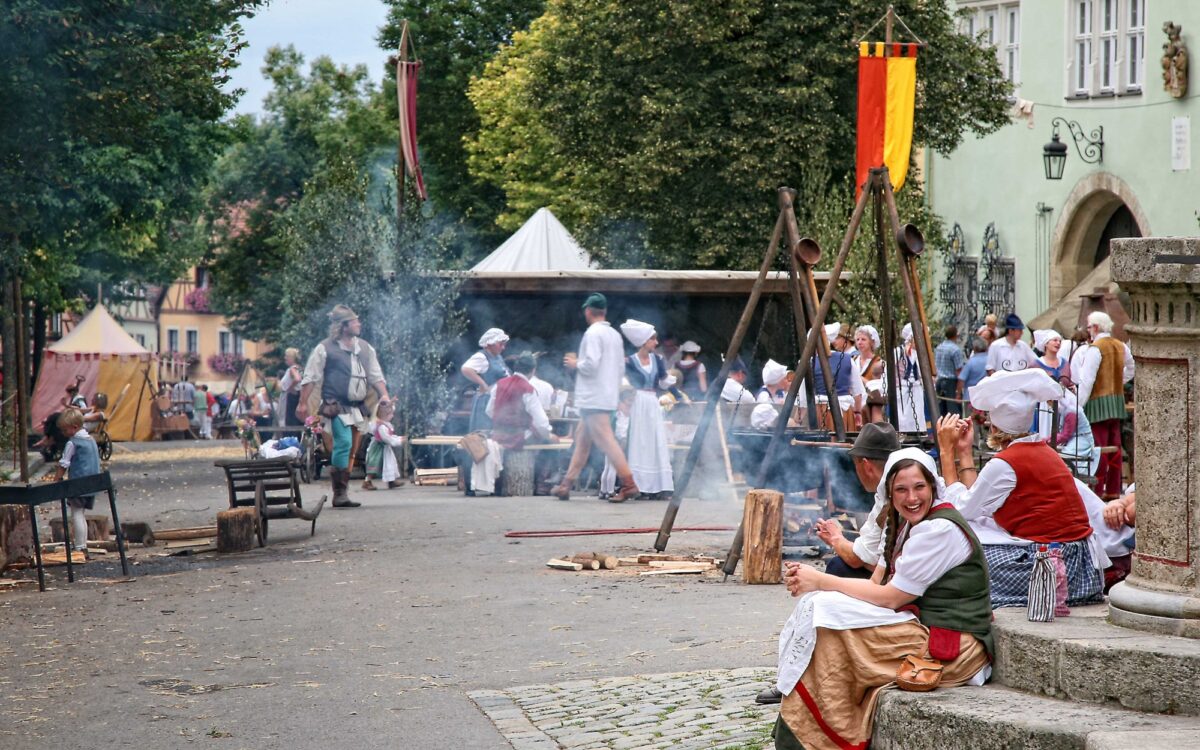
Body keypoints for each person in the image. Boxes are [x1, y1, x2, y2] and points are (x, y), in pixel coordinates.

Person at [772, 448, 993, 750]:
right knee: (820, 612)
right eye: (901, 490)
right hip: (927, 625)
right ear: (889, 493)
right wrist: (823, 592)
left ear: (932, 486)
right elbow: (879, 579)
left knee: (834, 637)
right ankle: (804, 732)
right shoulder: (908, 524)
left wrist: (821, 581)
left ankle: (820, 738)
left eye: (919, 487)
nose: (911, 497)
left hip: (957, 642)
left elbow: (891, 597)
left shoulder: (939, 530)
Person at [937, 369, 1104, 608]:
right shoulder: (1043, 452)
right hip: (1077, 563)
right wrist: (963, 453)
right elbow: (977, 501)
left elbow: (961, 511)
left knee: (956, 550)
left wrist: (945, 452)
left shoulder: (1006, 463)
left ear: (993, 428)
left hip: (1055, 565)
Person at [297, 304, 391, 508]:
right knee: (344, 443)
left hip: (358, 407)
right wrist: (303, 403)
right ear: (344, 325)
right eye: (355, 321)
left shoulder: (365, 348)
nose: (359, 323)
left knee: (352, 450)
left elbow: (376, 375)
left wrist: (384, 395)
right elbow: (311, 376)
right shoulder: (325, 348)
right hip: (335, 406)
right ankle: (339, 494)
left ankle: (343, 493)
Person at [552, 294, 639, 502]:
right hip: (605, 394)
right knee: (582, 440)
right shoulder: (614, 335)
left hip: (594, 396)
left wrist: (575, 364)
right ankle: (566, 484)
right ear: (604, 312)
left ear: (588, 311)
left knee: (606, 441)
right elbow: (619, 369)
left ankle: (629, 484)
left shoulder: (593, 334)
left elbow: (590, 365)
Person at [1076, 311, 1135, 500]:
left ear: (1094, 327)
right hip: (1116, 403)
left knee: (1098, 449)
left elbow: (1087, 381)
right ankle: (1113, 490)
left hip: (1096, 404)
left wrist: (1078, 406)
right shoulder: (1120, 346)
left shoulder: (1095, 348)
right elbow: (1132, 367)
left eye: (1088, 327)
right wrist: (1119, 381)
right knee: (1115, 448)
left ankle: (1097, 491)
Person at [616, 321, 676, 499]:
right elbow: (620, 381)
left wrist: (674, 386)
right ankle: (638, 485)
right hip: (637, 402)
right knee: (639, 442)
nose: (656, 343)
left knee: (655, 440)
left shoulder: (657, 360)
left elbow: (664, 381)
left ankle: (659, 486)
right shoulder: (629, 361)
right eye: (653, 339)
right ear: (643, 341)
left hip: (652, 402)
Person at [52, 409, 102, 558]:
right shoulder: (91, 440)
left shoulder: (73, 443)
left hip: (79, 483)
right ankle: (82, 544)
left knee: (77, 514)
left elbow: (64, 463)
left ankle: (80, 547)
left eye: (64, 429)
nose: (63, 432)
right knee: (81, 514)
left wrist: (57, 480)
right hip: (92, 483)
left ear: (74, 427)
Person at [487, 352, 555, 450]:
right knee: (550, 442)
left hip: (497, 436)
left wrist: (503, 424)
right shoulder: (528, 389)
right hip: (518, 439)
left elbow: (489, 410)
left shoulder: (499, 384)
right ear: (533, 370)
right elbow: (541, 423)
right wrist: (549, 435)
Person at [811, 323, 863, 429]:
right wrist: (857, 413)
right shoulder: (848, 359)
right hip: (844, 411)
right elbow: (857, 393)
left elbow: (803, 397)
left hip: (820, 410)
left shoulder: (811, 362)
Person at [461, 328, 511, 431]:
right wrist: (483, 384)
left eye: (504, 344)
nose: (503, 347)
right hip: (486, 401)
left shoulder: (497, 357)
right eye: (500, 344)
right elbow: (466, 369)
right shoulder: (481, 356)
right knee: (484, 434)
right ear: (490, 344)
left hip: (498, 401)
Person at [363, 399, 406, 490]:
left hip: (385, 448)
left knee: (390, 463)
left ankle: (391, 480)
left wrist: (391, 403)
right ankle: (367, 481)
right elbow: (387, 439)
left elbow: (390, 437)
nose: (392, 415)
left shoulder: (385, 424)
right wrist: (399, 441)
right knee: (373, 465)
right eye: (390, 414)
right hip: (378, 449)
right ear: (384, 415)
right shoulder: (381, 426)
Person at [1031, 329, 1066, 435]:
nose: (1058, 343)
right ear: (1046, 343)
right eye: (1055, 340)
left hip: (1061, 402)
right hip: (1043, 404)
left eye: (1059, 341)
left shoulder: (1064, 363)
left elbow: (1068, 382)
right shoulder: (1037, 363)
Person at [893, 323, 925, 432]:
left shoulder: (920, 354)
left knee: (917, 416)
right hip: (901, 390)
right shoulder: (899, 351)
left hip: (916, 390)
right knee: (902, 418)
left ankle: (918, 435)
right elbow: (890, 370)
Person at [854, 325, 885, 424]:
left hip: (871, 405)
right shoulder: (853, 360)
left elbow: (879, 388)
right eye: (858, 339)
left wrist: (859, 378)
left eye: (863, 339)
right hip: (855, 403)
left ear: (872, 342)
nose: (860, 342)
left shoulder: (878, 362)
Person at [934, 325, 966, 417]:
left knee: (942, 410)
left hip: (939, 380)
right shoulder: (955, 350)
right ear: (956, 335)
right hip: (951, 382)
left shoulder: (939, 347)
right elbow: (959, 370)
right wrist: (959, 390)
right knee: (954, 411)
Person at [957, 337, 989, 413]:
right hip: (987, 396)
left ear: (974, 348)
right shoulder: (990, 360)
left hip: (970, 397)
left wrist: (958, 394)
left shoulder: (971, 363)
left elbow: (961, 379)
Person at [279, 347, 304, 428]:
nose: (285, 358)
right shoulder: (300, 368)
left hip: (290, 398)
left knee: (289, 421)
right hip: (297, 396)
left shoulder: (292, 369)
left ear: (291, 357)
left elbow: (297, 379)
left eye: (286, 356)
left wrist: (290, 387)